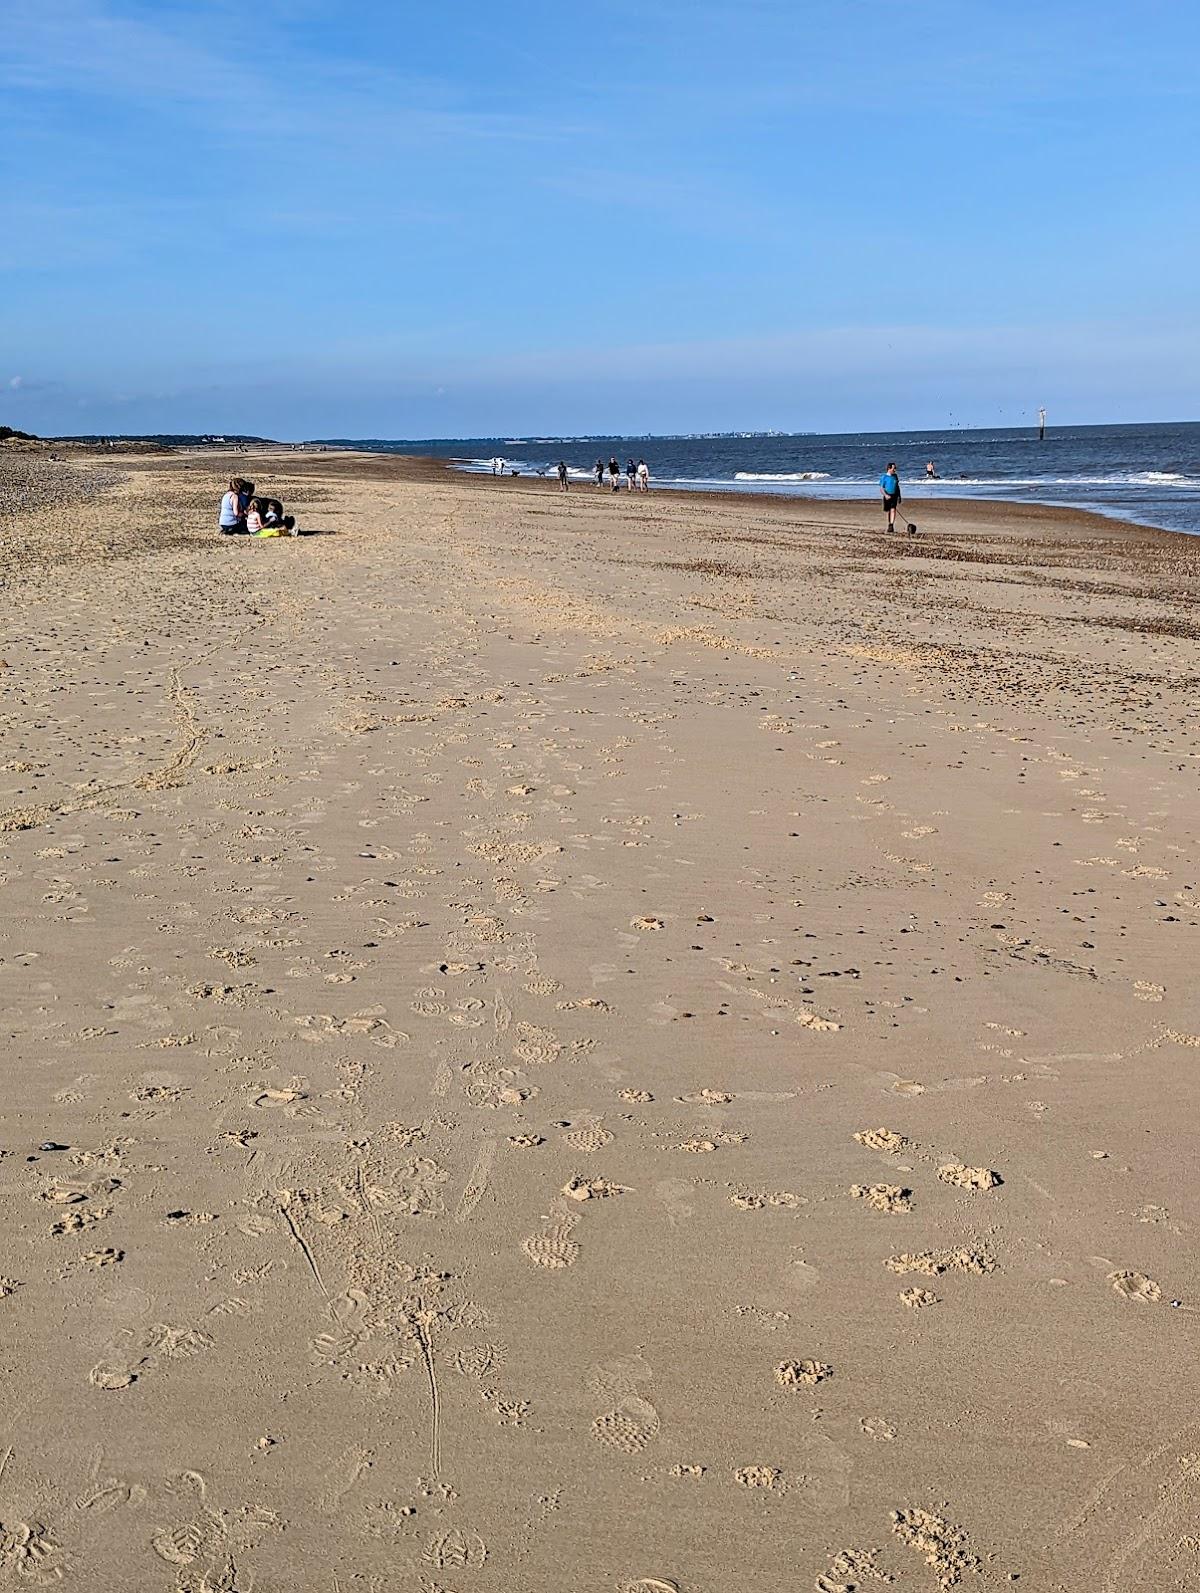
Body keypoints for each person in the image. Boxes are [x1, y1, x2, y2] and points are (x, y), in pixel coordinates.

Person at [879, 461, 901, 532]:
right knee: (888, 510)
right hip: (887, 495)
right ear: (889, 468)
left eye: (895, 468)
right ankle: (889, 524)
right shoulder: (884, 477)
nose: (895, 470)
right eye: (893, 468)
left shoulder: (895, 476)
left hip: (895, 495)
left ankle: (891, 525)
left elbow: (897, 486)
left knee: (893, 509)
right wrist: (885, 495)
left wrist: (899, 496)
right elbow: (881, 488)